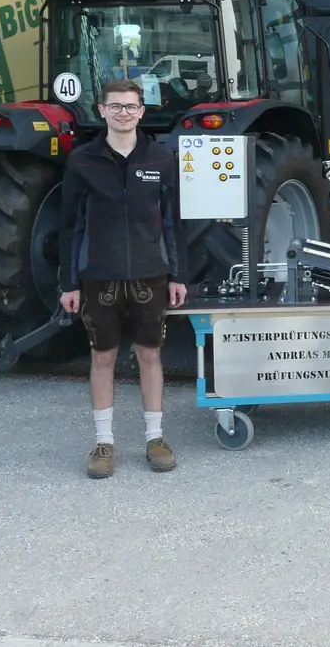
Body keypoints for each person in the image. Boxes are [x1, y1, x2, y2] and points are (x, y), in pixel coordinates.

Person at [58, 79, 187, 479]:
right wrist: (69, 283)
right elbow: (70, 226)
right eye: (116, 107)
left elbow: (172, 223)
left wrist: (178, 276)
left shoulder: (161, 158)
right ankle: (104, 443)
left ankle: (155, 437)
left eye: (131, 107)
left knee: (150, 355)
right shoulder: (82, 161)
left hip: (151, 275)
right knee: (103, 357)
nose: (124, 113)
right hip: (99, 277)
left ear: (142, 112)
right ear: (102, 111)